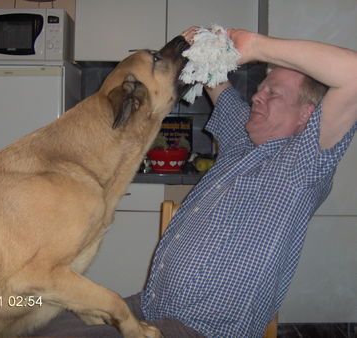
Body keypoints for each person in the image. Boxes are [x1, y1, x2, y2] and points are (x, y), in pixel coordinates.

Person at [33, 28, 357, 337]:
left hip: (201, 330)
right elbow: (213, 75)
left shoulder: (299, 166)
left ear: (306, 115)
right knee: (32, 323)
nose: (257, 97)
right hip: (150, 307)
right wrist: (201, 44)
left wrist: (255, 46)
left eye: (272, 93)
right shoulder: (240, 142)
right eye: (260, 90)